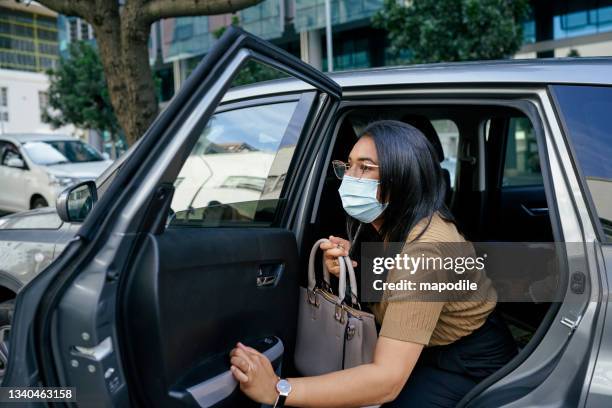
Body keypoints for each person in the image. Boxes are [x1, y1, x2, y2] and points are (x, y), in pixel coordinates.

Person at [229, 120, 517, 407]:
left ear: (402, 176)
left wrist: (279, 389)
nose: (349, 178)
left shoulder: (426, 253)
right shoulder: (391, 223)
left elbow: (386, 381)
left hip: (464, 360)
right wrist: (355, 268)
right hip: (424, 346)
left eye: (365, 168)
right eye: (348, 166)